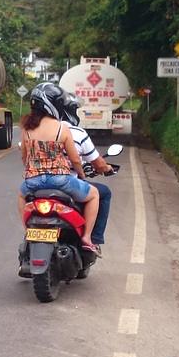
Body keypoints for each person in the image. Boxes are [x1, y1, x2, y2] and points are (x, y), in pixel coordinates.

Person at [18, 83, 101, 252]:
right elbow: (75, 159)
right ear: (54, 105)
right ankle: (86, 237)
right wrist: (81, 175)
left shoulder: (27, 129)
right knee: (94, 194)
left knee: (20, 195)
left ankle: (28, 231)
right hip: (60, 180)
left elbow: (24, 157)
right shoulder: (61, 128)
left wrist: (32, 171)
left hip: (32, 181)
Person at [58, 90, 114, 254]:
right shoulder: (76, 133)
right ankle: (91, 238)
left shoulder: (40, 131)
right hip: (67, 182)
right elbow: (87, 161)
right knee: (102, 193)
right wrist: (101, 169)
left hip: (38, 181)